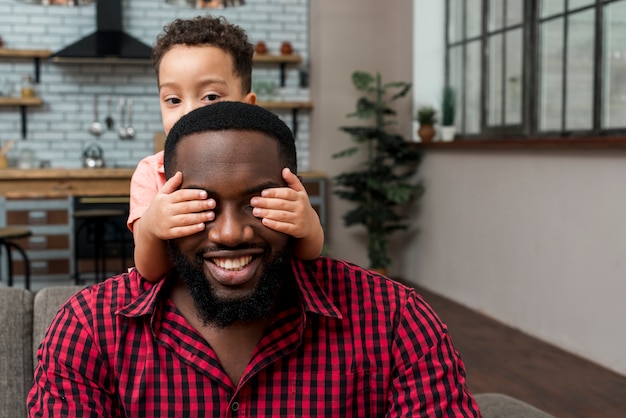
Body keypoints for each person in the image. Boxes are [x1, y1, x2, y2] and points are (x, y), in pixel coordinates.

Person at [28, 102, 481, 416]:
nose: (229, 232)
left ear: (294, 199)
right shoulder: (89, 329)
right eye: (201, 205)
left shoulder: (396, 320)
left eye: (256, 201)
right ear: (166, 205)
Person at [129, 15, 324, 281]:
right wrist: (152, 228)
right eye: (173, 99)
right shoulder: (153, 173)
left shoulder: (268, 165)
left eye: (210, 96)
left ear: (248, 105)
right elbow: (150, 271)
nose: (188, 112)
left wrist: (309, 226)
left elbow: (306, 254)